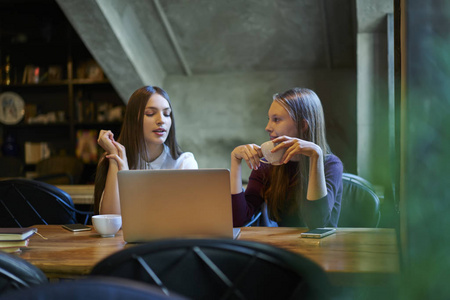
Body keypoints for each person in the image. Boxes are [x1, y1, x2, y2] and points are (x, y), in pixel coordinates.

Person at [230, 87, 343, 228]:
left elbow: (317, 225)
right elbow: (238, 220)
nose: (267, 127)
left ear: (302, 125)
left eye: (276, 120)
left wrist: (316, 158)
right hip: (283, 246)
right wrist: (235, 161)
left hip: (323, 248)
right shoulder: (267, 165)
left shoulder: (331, 165)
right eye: (269, 119)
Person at [94, 86, 198, 214]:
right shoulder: (115, 159)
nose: (161, 120)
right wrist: (116, 158)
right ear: (133, 120)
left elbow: (189, 217)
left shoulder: (184, 163)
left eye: (166, 114)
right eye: (150, 113)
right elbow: (110, 220)